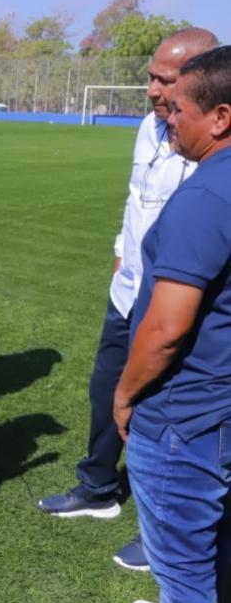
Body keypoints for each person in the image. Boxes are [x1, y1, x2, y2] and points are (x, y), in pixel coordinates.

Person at [38, 28, 218, 572]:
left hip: (177, 302)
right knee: (106, 393)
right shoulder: (149, 128)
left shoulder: (209, 142)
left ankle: (160, 526)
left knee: (159, 414)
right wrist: (122, 253)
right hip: (129, 294)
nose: (151, 90)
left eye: (164, 80)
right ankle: (97, 487)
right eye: (150, 76)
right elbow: (136, 196)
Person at [114, 45, 231, 603]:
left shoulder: (206, 195)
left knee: (184, 575)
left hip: (185, 416)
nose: (168, 117)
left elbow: (165, 330)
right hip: (219, 405)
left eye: (178, 109)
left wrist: (125, 393)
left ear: (220, 117)